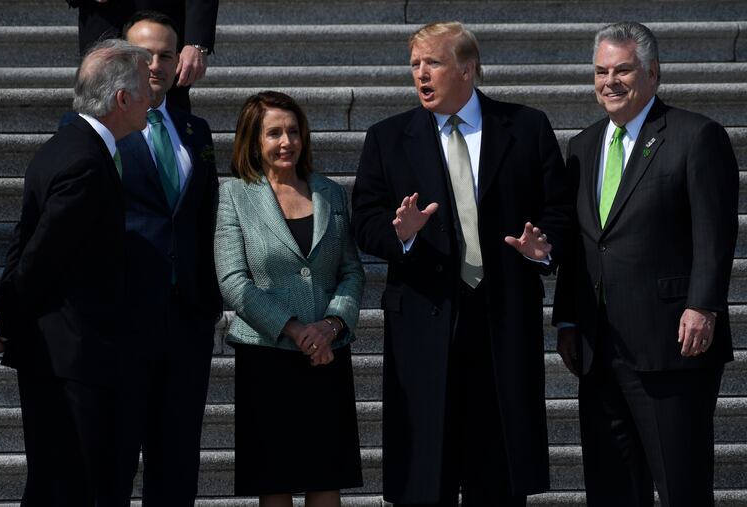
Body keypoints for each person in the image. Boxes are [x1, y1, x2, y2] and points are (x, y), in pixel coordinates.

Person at [351, 21, 572, 506]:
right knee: (425, 476)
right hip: (424, 326)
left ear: (468, 68)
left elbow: (557, 207)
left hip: (502, 322)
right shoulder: (388, 137)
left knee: (499, 475)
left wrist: (544, 249)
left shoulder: (527, 126)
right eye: (414, 65)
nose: (421, 75)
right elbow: (364, 218)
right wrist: (399, 235)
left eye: (433, 63)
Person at [552, 22, 738, 507]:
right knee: (611, 487)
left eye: (623, 70)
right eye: (601, 72)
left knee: (681, 486)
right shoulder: (583, 146)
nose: (609, 81)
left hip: (672, 345)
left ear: (653, 74)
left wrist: (704, 306)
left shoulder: (696, 136)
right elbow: (583, 243)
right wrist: (569, 318)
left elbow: (715, 234)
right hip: (598, 347)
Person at [0, 39, 152, 506]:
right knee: (68, 488)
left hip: (59, 353)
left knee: (56, 485)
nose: (150, 103)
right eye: (144, 94)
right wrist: (3, 320)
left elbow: (23, 244)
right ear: (121, 99)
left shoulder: (61, 147)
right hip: (72, 359)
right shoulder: (85, 162)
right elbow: (41, 256)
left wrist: (3, 314)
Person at [214, 91, 365, 507]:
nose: (287, 142)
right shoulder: (235, 196)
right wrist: (294, 329)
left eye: (293, 131)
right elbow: (232, 279)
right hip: (267, 357)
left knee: (325, 479)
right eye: (274, 133)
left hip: (327, 355)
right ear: (253, 141)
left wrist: (331, 325)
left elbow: (351, 271)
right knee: (275, 483)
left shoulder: (329, 193)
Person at [108, 11, 222, 505]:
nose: (154, 65)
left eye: (165, 55)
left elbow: (205, 217)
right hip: (123, 321)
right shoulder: (103, 130)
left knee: (177, 468)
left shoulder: (196, 131)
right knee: (111, 463)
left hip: (186, 324)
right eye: (144, 54)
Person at [65, 0, 219, 112]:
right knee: (100, 110)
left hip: (162, 25)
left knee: (170, 117)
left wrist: (197, 41)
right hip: (103, 24)